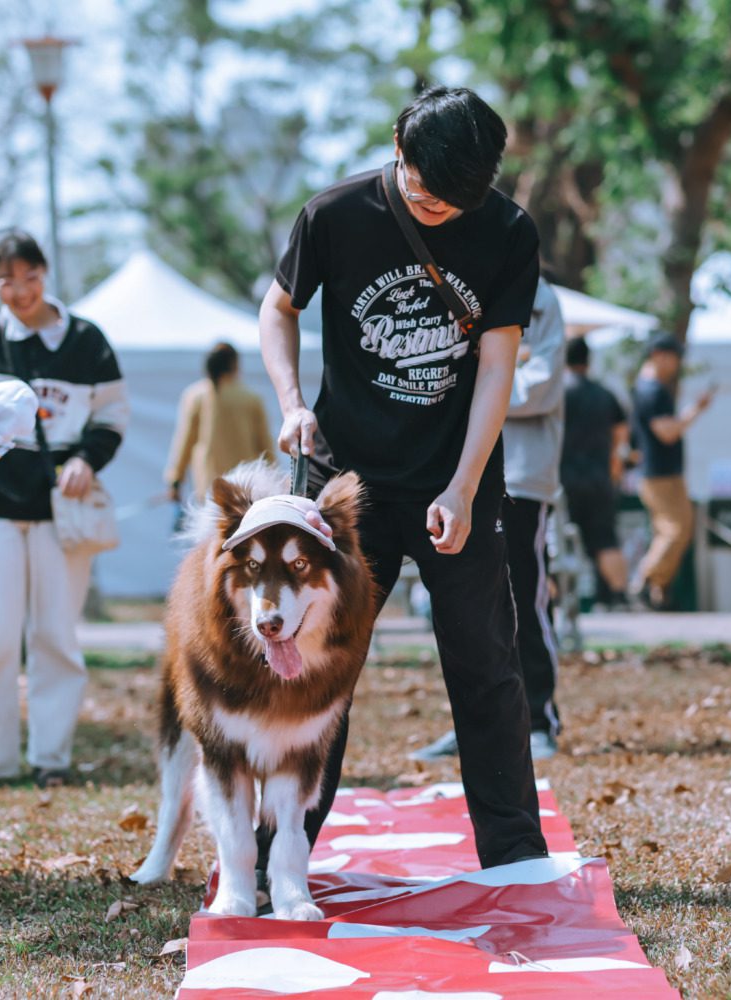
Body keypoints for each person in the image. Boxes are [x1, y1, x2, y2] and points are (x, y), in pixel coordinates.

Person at [257, 85, 548, 869]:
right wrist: (290, 403)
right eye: (421, 185)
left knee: (485, 662)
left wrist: (462, 486)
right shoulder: (335, 215)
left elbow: (496, 367)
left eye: (454, 197)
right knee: (319, 666)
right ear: (396, 144)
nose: (434, 205)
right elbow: (276, 308)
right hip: (346, 483)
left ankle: (515, 854)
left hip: (458, 473)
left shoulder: (508, 231)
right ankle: (281, 848)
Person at [0, 229, 130, 790]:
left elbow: (112, 417)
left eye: (31, 278)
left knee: (55, 636)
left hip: (57, 510)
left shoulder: (87, 340)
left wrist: (88, 459)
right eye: (6, 282)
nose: (20, 292)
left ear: (46, 273)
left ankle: (52, 758)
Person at [413, 276, 565, 763]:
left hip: (519, 477)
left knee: (524, 598)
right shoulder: (449, 286)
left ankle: (539, 718)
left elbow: (538, 388)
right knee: (464, 607)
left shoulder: (538, 298)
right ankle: (473, 722)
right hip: (457, 477)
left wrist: (478, 386)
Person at [628, 332, 712, 609]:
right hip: (659, 474)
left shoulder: (650, 388)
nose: (677, 365)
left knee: (674, 530)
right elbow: (667, 433)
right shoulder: (652, 391)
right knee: (676, 529)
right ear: (660, 356)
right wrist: (696, 410)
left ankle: (657, 589)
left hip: (660, 473)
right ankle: (645, 579)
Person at [560, 335, 630, 608]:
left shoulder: (557, 392)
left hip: (561, 480)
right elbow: (621, 439)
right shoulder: (606, 394)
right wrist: (614, 473)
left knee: (555, 543)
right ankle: (620, 596)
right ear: (588, 361)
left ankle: (555, 601)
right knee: (605, 539)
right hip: (599, 479)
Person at [163, 341, 273, 502]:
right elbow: (265, 444)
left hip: (209, 484)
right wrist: (273, 479)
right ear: (235, 364)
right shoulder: (251, 398)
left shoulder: (195, 395)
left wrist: (175, 480)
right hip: (247, 485)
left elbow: (185, 440)